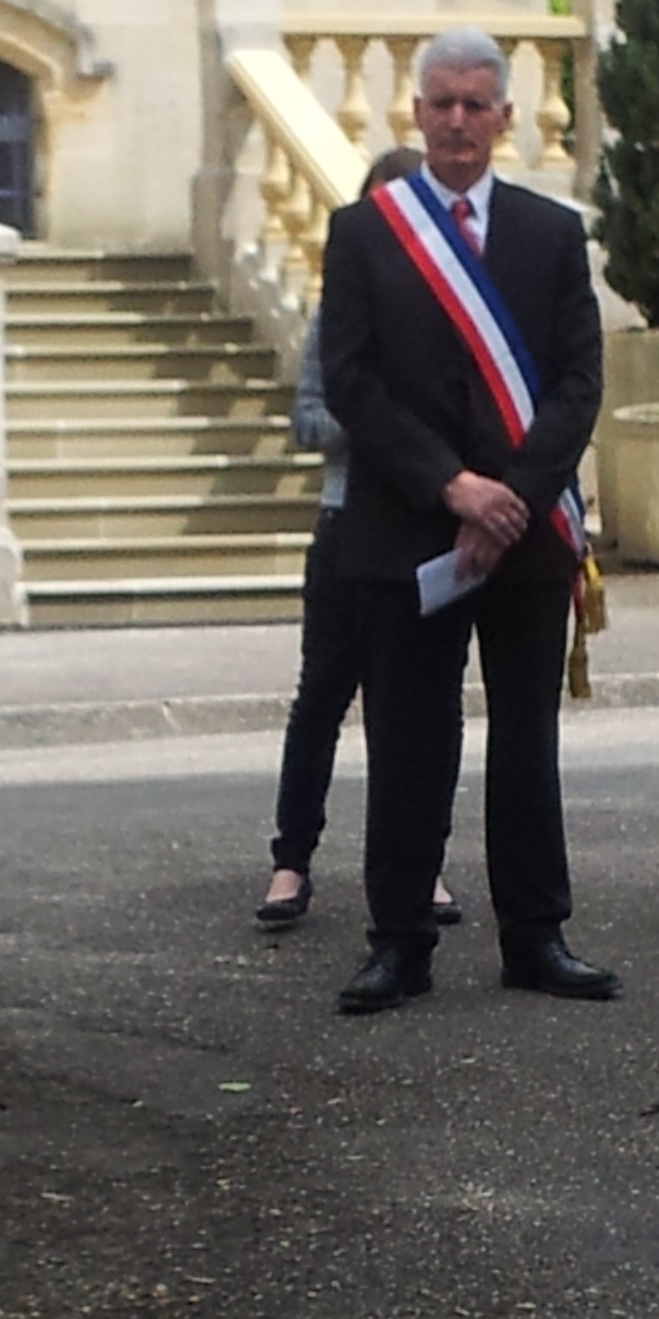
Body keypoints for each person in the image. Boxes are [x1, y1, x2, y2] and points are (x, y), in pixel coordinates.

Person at [320, 27, 617, 1013]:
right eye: (438, 103)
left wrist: (514, 497)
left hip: (525, 536)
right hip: (406, 531)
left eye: (473, 104)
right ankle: (398, 940)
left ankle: (536, 936)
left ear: (504, 117)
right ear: (416, 113)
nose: (455, 120)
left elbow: (579, 383)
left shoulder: (550, 231)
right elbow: (352, 385)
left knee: (526, 740)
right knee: (408, 742)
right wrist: (454, 489)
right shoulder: (363, 232)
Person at [256, 146, 460, 930]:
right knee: (322, 698)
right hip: (349, 523)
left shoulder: (450, 315)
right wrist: (377, 426)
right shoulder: (336, 314)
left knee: (419, 710)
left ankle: (424, 865)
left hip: (425, 531)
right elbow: (308, 418)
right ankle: (291, 860)